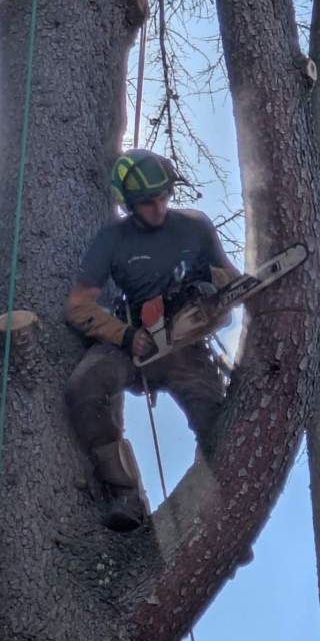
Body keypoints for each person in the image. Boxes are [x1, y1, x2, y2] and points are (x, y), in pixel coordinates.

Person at [64, 149, 239, 532]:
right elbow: (78, 305)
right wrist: (125, 335)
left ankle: (222, 517)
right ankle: (123, 492)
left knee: (215, 421)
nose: (159, 207)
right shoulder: (111, 240)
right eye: (148, 202)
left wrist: (213, 303)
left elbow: (231, 280)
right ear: (129, 205)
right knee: (85, 385)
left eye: (164, 196)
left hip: (187, 347)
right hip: (136, 339)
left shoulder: (195, 227)